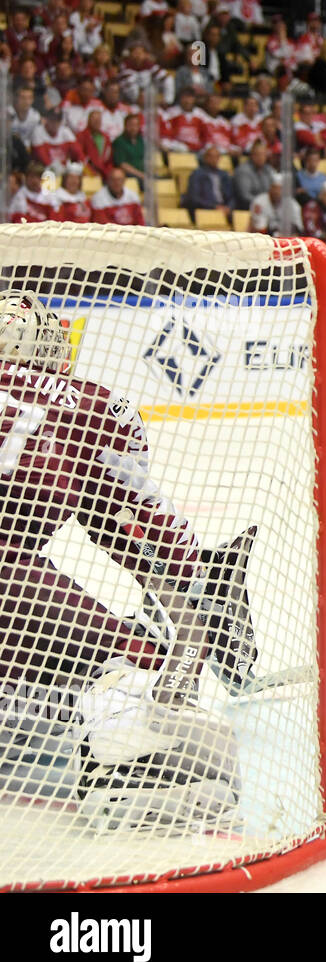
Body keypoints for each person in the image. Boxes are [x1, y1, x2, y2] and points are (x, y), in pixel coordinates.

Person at [0, 290, 256, 832]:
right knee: (135, 653)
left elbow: (104, 519)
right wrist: (197, 579)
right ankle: (125, 772)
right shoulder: (87, 405)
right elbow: (140, 516)